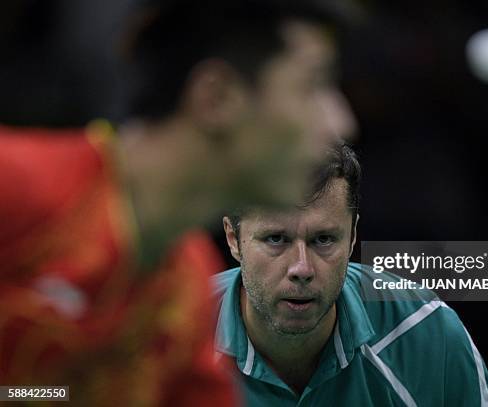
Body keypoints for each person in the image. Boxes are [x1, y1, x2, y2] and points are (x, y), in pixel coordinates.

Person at [0, 0, 359, 404]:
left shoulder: (184, 293)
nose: (340, 122)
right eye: (312, 86)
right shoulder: (20, 187)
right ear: (217, 98)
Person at [216, 143, 488, 406]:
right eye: (276, 239)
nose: (302, 268)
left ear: (353, 236)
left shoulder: (428, 333)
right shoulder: (178, 330)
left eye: (324, 239)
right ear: (233, 238)